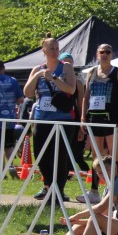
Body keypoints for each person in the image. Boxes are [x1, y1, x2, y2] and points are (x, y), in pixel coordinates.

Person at [23, 34, 77, 201]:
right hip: (42, 118)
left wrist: (53, 78)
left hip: (62, 119)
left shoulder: (66, 68)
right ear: (44, 50)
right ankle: (48, 186)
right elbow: (27, 93)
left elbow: (71, 89)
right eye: (51, 48)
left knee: (60, 156)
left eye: (57, 48)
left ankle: (58, 191)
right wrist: (38, 76)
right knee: (41, 154)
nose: (55, 51)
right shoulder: (37, 69)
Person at [79, 44, 118, 203]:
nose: (105, 54)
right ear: (97, 54)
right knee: (96, 156)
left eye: (108, 52)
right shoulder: (92, 72)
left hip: (111, 117)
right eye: (102, 52)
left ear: (111, 54)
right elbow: (86, 97)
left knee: (114, 154)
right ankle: (94, 191)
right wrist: (83, 117)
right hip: (94, 117)